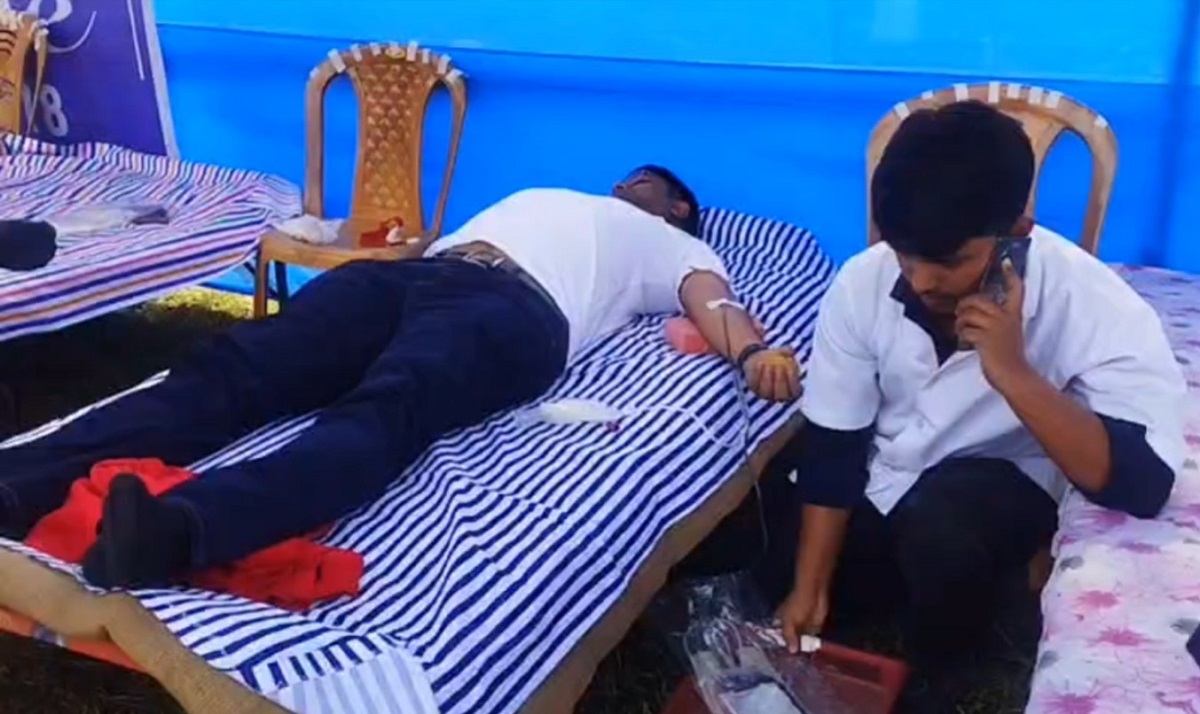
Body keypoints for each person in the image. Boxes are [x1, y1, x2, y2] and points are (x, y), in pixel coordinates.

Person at [0, 165, 801, 589]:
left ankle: (178, 532)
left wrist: (748, 353)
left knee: (385, 409)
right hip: (414, 276)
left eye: (648, 181)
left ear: (677, 206)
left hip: (516, 310)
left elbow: (714, 301)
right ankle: (17, 483)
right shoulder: (547, 193)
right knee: (235, 368)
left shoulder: (676, 244)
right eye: (627, 178)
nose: (628, 184)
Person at [764, 101, 1186, 668]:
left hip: (1000, 480)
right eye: (905, 257)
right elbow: (835, 446)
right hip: (889, 470)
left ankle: (944, 665)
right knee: (777, 563)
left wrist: (1013, 372)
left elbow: (1143, 483)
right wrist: (808, 587)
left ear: (1016, 234)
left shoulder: (1091, 299)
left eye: (948, 261)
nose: (921, 282)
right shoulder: (861, 282)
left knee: (940, 530)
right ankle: (884, 593)